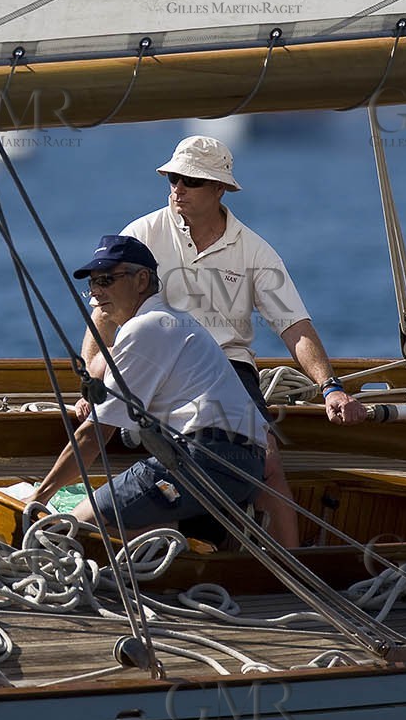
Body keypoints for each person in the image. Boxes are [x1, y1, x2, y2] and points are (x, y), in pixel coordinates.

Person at [79, 134, 366, 548]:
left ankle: (292, 568)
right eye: (173, 178)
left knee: (268, 464)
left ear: (220, 188)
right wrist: (92, 384)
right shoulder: (142, 235)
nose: (178, 188)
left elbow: (294, 326)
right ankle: (154, 553)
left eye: (191, 180)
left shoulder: (255, 251)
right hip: (156, 362)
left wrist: (331, 387)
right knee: (137, 447)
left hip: (229, 367)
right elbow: (103, 313)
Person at [34, 235, 267, 534]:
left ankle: (188, 536)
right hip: (240, 465)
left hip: (207, 458)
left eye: (106, 280)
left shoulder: (145, 327)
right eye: (92, 284)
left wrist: (39, 497)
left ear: (142, 280)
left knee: (64, 528)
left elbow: (94, 434)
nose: (96, 292)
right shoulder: (167, 319)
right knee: (124, 530)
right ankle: (196, 535)